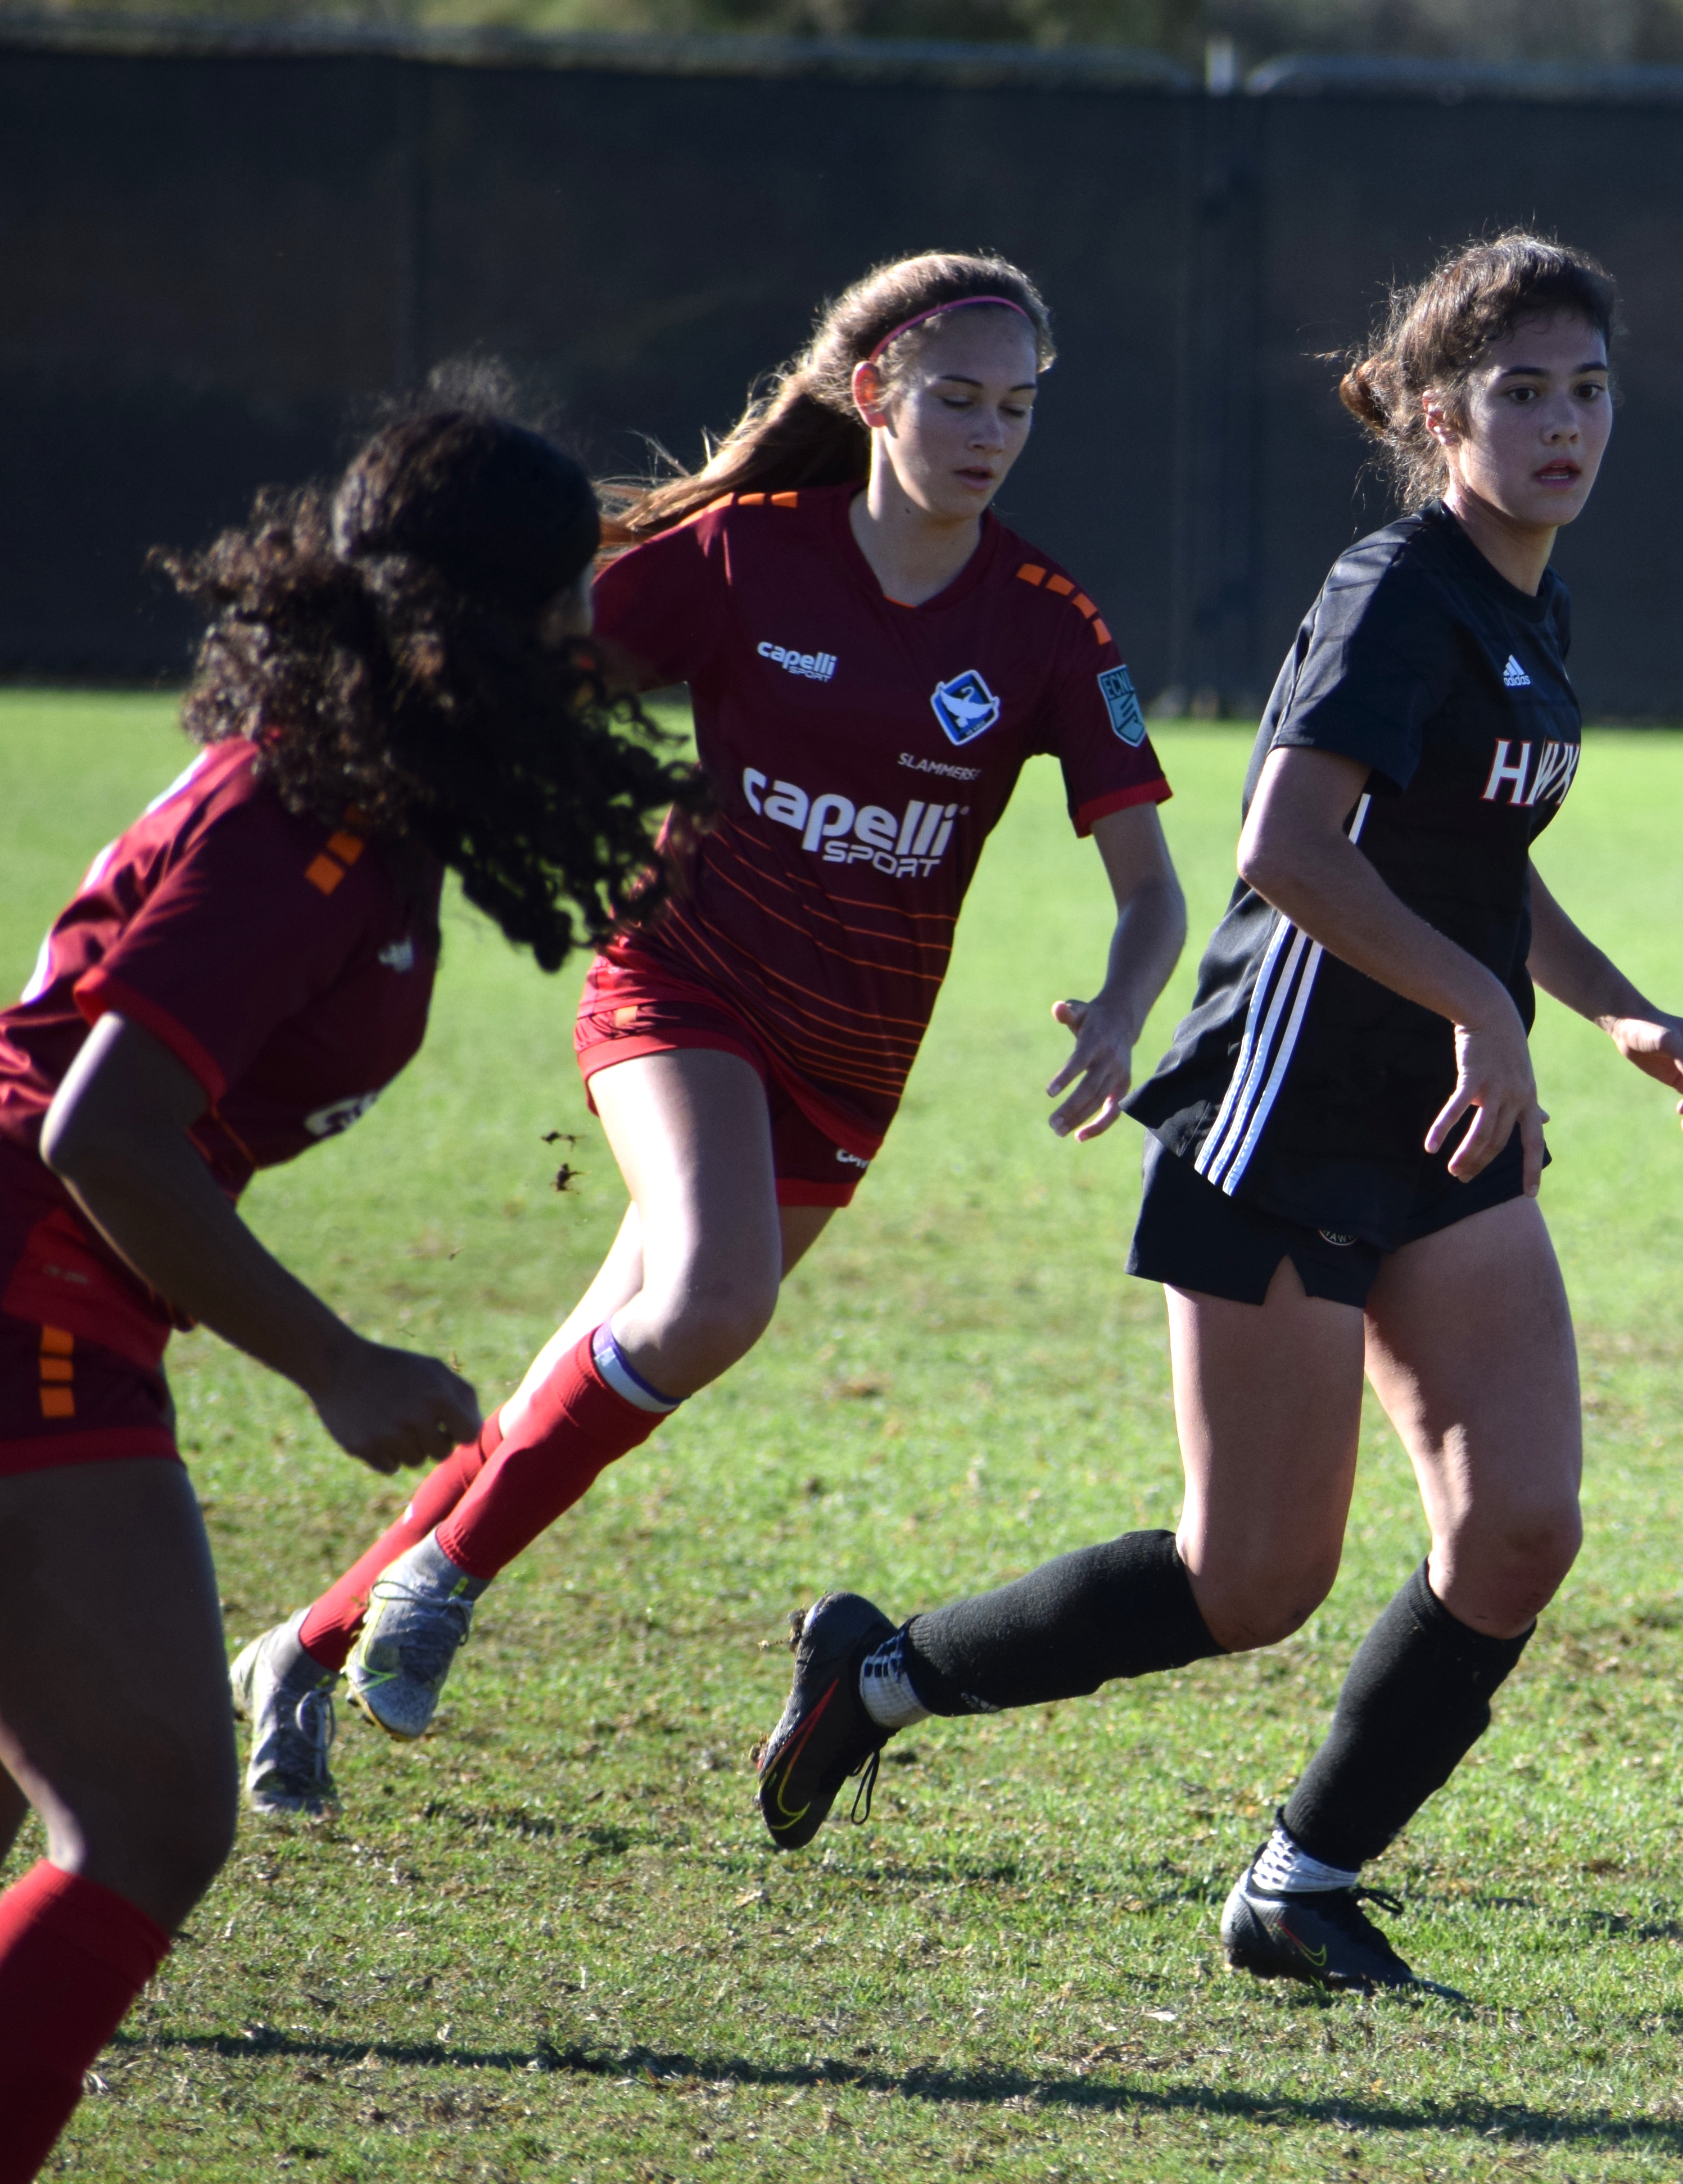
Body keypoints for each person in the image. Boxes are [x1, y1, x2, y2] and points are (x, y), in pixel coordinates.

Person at [753, 233, 1683, 1992]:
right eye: (1522, 392)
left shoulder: (1527, 604)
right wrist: (1474, 1012)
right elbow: (1283, 852)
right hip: (1285, 1108)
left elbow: (1474, 856)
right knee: (1252, 1581)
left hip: (1445, 1110)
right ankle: (881, 1673)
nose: (1565, 425)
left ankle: (1300, 1883)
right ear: (1441, 414)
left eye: (1589, 390)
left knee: (1521, 1526)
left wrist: (1612, 1011)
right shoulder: (1399, 584)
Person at [234, 252, 1186, 1801]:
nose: (990, 431)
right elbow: (520, 679)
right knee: (714, 1297)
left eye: (1017, 406)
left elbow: (1153, 891)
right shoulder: (745, 556)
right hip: (678, 987)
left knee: (602, 1374)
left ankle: (307, 1647)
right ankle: (446, 1586)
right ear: (872, 394)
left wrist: (1124, 1007)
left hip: (850, 1063)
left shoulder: (1046, 623)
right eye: (957, 396)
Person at [0, 403, 694, 2182]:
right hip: (31, 1285)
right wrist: (335, 1362)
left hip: (52, 1278)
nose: (584, 640)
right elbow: (107, 1132)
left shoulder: (344, 789)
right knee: (151, 1813)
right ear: (470, 618)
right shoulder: (307, 810)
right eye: (562, 603)